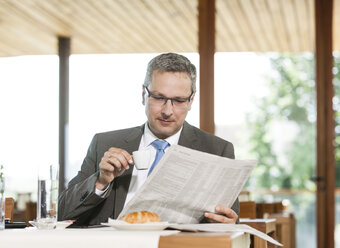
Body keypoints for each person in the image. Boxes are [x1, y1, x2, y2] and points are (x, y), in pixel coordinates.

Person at [58, 53, 239, 226]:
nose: (168, 111)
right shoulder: (104, 144)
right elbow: (62, 212)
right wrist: (101, 181)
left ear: (191, 100)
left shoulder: (216, 150)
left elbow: (229, 221)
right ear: (144, 95)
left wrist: (226, 223)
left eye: (178, 100)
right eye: (159, 97)